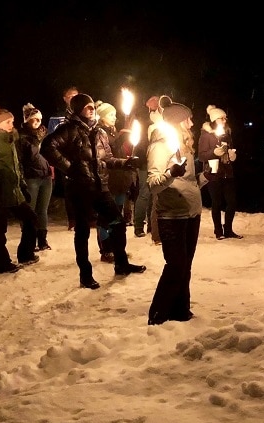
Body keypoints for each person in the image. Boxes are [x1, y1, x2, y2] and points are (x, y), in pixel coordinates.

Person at [41, 92, 145, 289]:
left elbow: (106, 159)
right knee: (82, 231)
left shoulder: (100, 132)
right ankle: (85, 275)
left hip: (100, 186)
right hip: (79, 188)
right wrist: (70, 167)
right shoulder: (68, 129)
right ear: (78, 109)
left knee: (117, 222)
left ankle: (121, 264)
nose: (91, 109)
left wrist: (126, 163)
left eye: (92, 107)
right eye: (87, 107)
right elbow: (47, 147)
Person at [146, 100, 202, 325]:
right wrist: (170, 173)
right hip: (172, 216)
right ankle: (158, 314)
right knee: (176, 266)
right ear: (177, 121)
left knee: (185, 266)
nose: (191, 122)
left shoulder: (185, 147)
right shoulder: (160, 146)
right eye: (187, 118)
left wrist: (206, 177)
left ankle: (181, 310)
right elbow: (153, 184)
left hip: (191, 213)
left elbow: (188, 181)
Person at [0, 108, 40, 273]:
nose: (11, 124)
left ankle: (26, 254)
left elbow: (16, 165)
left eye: (12, 121)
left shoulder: (11, 139)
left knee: (31, 219)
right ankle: (0, 264)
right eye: (8, 122)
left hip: (14, 189)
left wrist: (23, 185)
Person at [95, 100, 137, 262]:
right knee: (106, 217)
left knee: (117, 216)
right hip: (108, 180)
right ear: (103, 117)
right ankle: (105, 249)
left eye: (114, 114)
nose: (114, 117)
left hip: (119, 180)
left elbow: (117, 150)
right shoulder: (99, 132)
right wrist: (122, 135)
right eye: (111, 115)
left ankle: (116, 247)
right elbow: (106, 154)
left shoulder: (112, 131)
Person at [198, 104, 242, 240]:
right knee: (216, 203)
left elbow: (231, 149)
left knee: (232, 202)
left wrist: (232, 155)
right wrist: (213, 152)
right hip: (213, 173)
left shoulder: (227, 134)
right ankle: (218, 231)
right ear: (214, 120)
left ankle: (228, 229)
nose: (224, 120)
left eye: (225, 118)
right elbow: (201, 156)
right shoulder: (206, 136)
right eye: (221, 118)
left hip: (227, 172)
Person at [134, 94, 172, 242]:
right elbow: (144, 142)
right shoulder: (147, 121)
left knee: (154, 193)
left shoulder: (162, 121)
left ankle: (151, 225)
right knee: (145, 192)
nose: (158, 104)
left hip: (156, 160)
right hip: (145, 161)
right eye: (155, 101)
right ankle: (138, 226)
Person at [18, 103, 53, 251]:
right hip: (31, 177)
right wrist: (37, 141)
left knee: (42, 210)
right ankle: (29, 240)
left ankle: (42, 240)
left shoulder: (45, 135)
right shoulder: (22, 137)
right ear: (27, 120)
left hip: (46, 177)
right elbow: (29, 157)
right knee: (30, 211)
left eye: (39, 119)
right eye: (34, 119)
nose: (37, 122)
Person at [47, 85, 79, 231]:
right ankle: (72, 219)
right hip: (66, 158)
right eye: (70, 96)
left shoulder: (84, 114)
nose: (73, 99)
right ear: (65, 99)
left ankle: (85, 216)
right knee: (69, 189)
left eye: (76, 96)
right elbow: (51, 139)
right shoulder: (57, 117)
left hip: (82, 156)